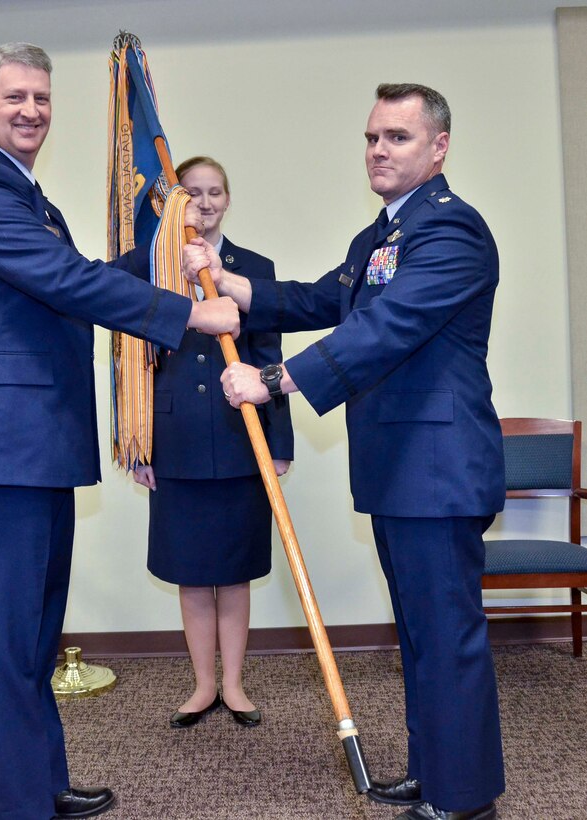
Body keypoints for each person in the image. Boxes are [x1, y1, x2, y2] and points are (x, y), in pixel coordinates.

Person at [0, 43, 238, 820]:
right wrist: (188, 313)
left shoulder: (28, 197)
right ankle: (12, 805)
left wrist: (169, 241)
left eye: (41, 97)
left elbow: (79, 278)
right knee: (3, 642)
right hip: (0, 450)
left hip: (32, 445)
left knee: (32, 635)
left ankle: (39, 784)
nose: (30, 110)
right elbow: (65, 280)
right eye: (14, 97)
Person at [184, 84, 505, 820]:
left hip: (438, 469)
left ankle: (463, 799)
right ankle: (435, 773)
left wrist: (273, 380)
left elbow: (382, 329)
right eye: (371, 138)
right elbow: (325, 298)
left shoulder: (450, 231)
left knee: (445, 636)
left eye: (396, 137)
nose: (378, 151)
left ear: (438, 147)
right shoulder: (382, 235)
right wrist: (234, 283)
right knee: (422, 637)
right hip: (399, 471)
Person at [131, 156, 294, 728]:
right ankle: (202, 685)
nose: (203, 202)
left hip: (240, 435)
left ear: (228, 199)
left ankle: (234, 684)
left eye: (214, 192)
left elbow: (270, 360)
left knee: (235, 567)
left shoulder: (255, 269)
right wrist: (138, 444)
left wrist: (279, 445)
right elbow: (130, 368)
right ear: (175, 201)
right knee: (192, 570)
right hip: (174, 441)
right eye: (192, 192)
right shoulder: (147, 267)